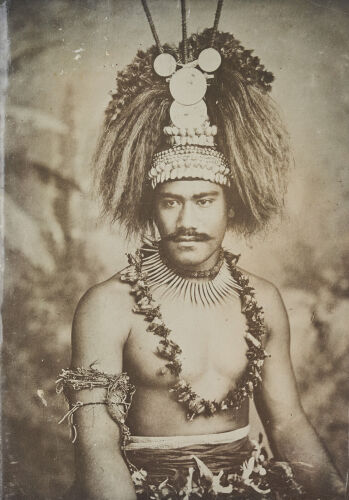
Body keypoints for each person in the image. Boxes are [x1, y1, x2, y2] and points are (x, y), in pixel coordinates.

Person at [57, 3, 345, 499]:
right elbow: (97, 446)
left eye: (204, 201)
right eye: (171, 202)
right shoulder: (106, 306)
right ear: (151, 208)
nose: (187, 220)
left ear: (232, 208)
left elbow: (289, 423)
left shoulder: (263, 298)